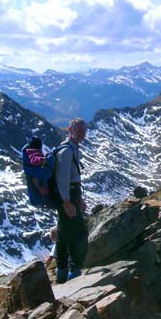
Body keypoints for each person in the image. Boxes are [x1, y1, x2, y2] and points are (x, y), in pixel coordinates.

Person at [54, 118, 88, 284]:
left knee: (63, 233)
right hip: (67, 196)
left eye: (84, 130)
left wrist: (79, 199)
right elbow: (63, 179)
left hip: (71, 195)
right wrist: (67, 202)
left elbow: (72, 176)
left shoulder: (72, 148)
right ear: (70, 130)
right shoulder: (67, 151)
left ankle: (61, 273)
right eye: (79, 130)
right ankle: (74, 272)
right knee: (79, 233)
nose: (82, 133)